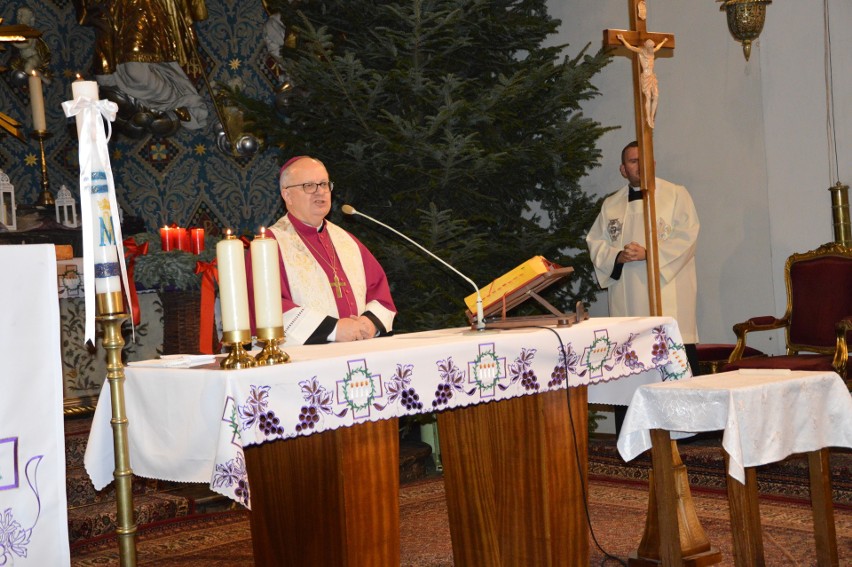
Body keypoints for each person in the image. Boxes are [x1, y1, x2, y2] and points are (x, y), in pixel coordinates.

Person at [586, 141, 700, 432]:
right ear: (623, 170)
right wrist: (617, 255)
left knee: (673, 366)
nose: (639, 165)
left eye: (643, 159)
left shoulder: (676, 195)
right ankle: (632, 431)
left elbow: (688, 238)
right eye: (632, 162)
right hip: (628, 304)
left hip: (667, 296)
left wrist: (650, 253)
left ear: (653, 163)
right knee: (632, 367)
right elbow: (596, 243)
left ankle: (683, 434)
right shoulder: (611, 204)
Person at [248, 156, 397, 345]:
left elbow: (379, 293)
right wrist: (334, 330)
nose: (320, 192)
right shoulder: (269, 244)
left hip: (357, 352)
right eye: (309, 185)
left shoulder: (347, 241)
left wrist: (369, 324)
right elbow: (266, 307)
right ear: (287, 195)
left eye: (324, 184)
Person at [617, 34, 667, 128]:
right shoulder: (641, 51)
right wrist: (623, 39)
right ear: (646, 46)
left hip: (652, 76)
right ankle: (648, 117)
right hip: (646, 76)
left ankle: (652, 116)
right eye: (650, 46)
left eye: (652, 46)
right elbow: (630, 47)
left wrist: (663, 42)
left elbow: (658, 47)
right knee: (648, 96)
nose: (652, 48)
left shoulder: (652, 52)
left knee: (656, 96)